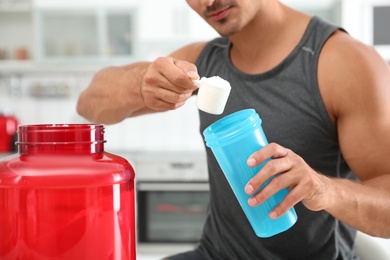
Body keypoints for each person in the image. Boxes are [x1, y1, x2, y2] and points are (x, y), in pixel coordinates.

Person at [76, 0, 390, 259]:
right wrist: (139, 85)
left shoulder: (344, 63)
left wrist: (324, 189)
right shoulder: (205, 60)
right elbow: (89, 103)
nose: (206, 3)